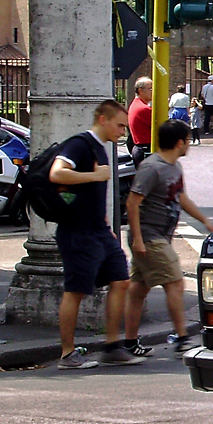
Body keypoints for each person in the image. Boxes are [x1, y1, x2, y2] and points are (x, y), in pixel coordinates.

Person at [49, 99, 143, 369]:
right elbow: (57, 174)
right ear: (103, 119)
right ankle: (67, 353)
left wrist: (105, 226)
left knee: (120, 279)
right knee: (76, 290)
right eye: (119, 126)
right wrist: (93, 175)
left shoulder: (102, 150)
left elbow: (94, 195)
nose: (122, 133)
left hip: (99, 230)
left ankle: (112, 346)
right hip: (77, 231)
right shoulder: (79, 144)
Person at [124, 119, 213, 357]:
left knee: (138, 289)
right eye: (187, 140)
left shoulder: (174, 166)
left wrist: (205, 221)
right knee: (175, 282)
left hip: (158, 236)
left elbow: (181, 198)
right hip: (149, 236)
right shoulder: (151, 168)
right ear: (178, 143)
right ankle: (182, 338)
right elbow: (133, 203)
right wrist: (137, 239)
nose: (189, 144)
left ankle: (128, 342)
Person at [128, 76, 153, 167]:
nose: (153, 91)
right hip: (146, 150)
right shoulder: (143, 108)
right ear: (140, 90)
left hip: (141, 149)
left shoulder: (136, 104)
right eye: (150, 89)